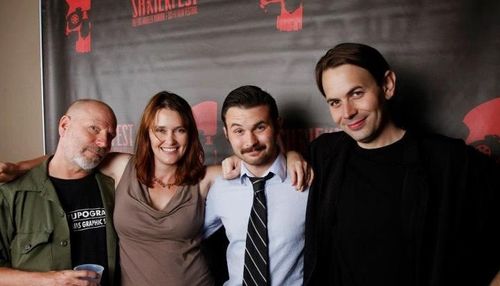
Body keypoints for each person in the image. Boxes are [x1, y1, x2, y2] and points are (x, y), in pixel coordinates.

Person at [0, 91, 310, 286]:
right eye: (160, 130)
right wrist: (20, 167)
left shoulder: (207, 177)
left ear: (190, 134)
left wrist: (293, 155)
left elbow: (258, 160)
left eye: (179, 130)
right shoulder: (123, 168)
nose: (170, 140)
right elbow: (75, 156)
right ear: (148, 133)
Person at [303, 42, 500, 286]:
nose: (348, 112)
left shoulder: (448, 160)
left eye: (357, 93)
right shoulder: (324, 154)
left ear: (387, 85)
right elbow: (265, 161)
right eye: (335, 102)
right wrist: (240, 158)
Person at [0, 99, 119, 286]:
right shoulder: (12, 193)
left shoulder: (114, 188)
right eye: (94, 129)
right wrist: (51, 280)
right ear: (64, 125)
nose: (104, 142)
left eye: (110, 136)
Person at [204, 85, 309, 286]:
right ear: (226, 133)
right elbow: (184, 238)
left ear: (278, 125)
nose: (250, 141)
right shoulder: (220, 188)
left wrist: (294, 154)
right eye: (239, 131)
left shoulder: (305, 180)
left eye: (260, 127)